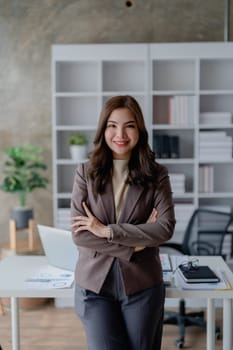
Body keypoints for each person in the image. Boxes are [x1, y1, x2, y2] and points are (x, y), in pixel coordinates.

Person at [71, 95, 175, 350]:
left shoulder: (156, 174)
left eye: (129, 125)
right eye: (112, 125)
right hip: (94, 287)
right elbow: (81, 235)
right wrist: (135, 243)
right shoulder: (85, 172)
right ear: (103, 129)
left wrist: (106, 231)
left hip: (143, 285)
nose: (120, 134)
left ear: (139, 129)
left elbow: (164, 228)